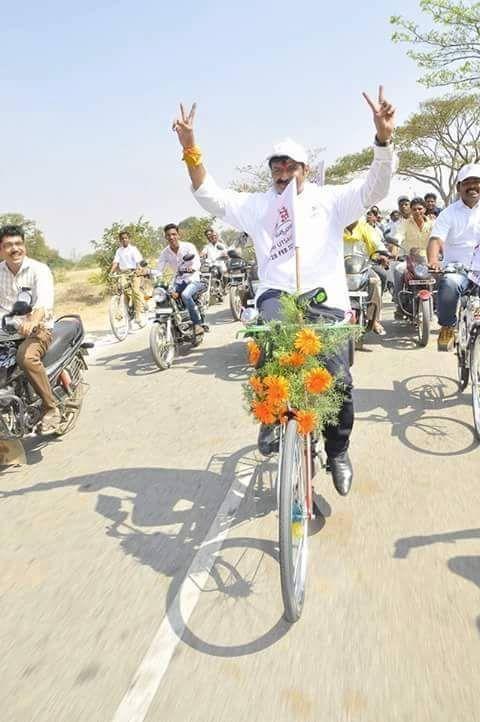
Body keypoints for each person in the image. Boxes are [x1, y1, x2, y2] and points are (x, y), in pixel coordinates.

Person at [173, 87, 397, 496]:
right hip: (277, 295)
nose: (281, 172)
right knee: (272, 346)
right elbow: (211, 196)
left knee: (339, 381)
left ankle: (338, 451)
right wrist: (191, 150)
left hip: (326, 301)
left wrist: (383, 141)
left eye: (289, 166)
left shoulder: (331, 201)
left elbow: (375, 189)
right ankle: (272, 416)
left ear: (305, 170)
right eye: (276, 166)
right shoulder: (259, 205)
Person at [0, 224, 60, 433]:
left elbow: (43, 302)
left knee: (26, 358)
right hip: (5, 332)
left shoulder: (39, 270)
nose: (14, 249)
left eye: (18, 244)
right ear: (1, 249)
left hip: (38, 330)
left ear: (24, 246)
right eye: (8, 245)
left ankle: (50, 408)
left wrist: (33, 320)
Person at [427, 164, 480, 351]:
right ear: (459, 188)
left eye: (477, 182)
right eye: (468, 183)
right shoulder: (448, 213)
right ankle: (447, 327)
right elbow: (435, 239)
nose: (473, 186)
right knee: (448, 284)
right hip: (458, 269)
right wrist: (433, 261)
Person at [156, 223, 205, 335]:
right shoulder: (165, 252)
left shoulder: (188, 247)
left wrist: (192, 268)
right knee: (164, 296)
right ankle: (171, 322)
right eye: (168, 235)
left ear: (179, 235)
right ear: (165, 237)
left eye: (174, 234)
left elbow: (196, 262)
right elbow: (159, 269)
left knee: (185, 295)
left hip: (193, 279)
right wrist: (148, 272)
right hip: (178, 281)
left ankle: (197, 323)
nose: (171, 237)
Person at [343, 217, 388, 335]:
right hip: (339, 269)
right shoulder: (336, 227)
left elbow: (377, 243)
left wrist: (383, 254)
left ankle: (374, 319)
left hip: (364, 267)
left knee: (377, 280)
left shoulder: (365, 228)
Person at [392, 197, 434, 317]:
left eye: (420, 209)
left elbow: (437, 238)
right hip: (409, 259)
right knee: (398, 270)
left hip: (427, 260)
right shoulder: (405, 224)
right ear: (411, 210)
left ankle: (438, 303)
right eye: (414, 209)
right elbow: (398, 236)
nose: (417, 212)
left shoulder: (432, 224)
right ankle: (399, 303)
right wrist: (395, 248)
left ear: (425, 209)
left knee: (441, 274)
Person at [110, 230, 146, 327]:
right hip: (123, 273)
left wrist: (139, 270)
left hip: (134, 272)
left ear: (129, 239)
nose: (124, 240)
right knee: (122, 290)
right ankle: (120, 313)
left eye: (126, 238)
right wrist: (111, 272)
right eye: (122, 239)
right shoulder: (119, 251)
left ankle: (138, 315)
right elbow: (115, 263)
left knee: (135, 291)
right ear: (120, 240)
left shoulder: (133, 249)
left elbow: (138, 261)